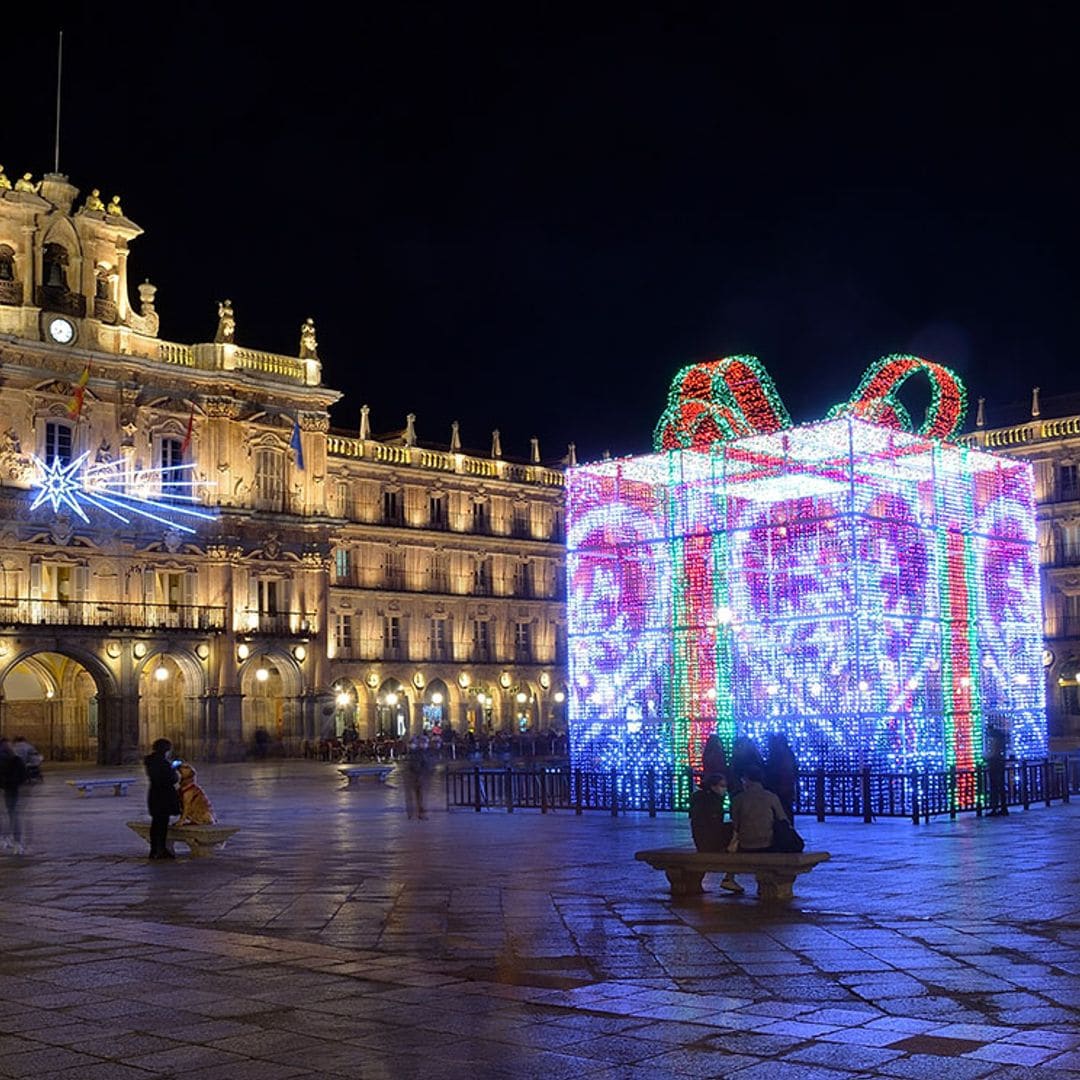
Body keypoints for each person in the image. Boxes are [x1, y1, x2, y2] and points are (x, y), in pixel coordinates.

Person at [689, 773, 742, 894]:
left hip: (701, 839)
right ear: (713, 786)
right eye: (722, 785)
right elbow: (713, 824)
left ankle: (729, 877)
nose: (724, 788)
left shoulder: (701, 798)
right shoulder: (712, 801)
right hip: (709, 840)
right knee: (736, 835)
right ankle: (729, 877)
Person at [731, 765, 789, 855]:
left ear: (747, 779)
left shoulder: (739, 798)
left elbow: (735, 822)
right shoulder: (771, 797)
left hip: (746, 843)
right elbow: (782, 818)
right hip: (768, 842)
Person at [144, 738, 180, 860]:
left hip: (154, 795)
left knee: (155, 824)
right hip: (163, 796)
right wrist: (173, 769)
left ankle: (154, 850)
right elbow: (172, 779)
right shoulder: (163, 763)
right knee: (162, 825)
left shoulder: (150, 761)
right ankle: (161, 850)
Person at [0, 736, 27, 854]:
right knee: (13, 815)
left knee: (8, 815)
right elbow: (23, 775)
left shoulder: (13, 758)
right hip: (11, 789)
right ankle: (16, 843)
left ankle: (6, 839)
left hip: (7, 788)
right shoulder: (15, 758)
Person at [764, 733, 798, 822]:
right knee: (787, 810)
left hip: (779, 788)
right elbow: (794, 770)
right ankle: (788, 829)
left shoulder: (776, 755)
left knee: (781, 811)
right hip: (787, 788)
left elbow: (773, 771)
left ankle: (784, 830)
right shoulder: (789, 754)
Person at [404, 735, 434, 819]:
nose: (426, 745)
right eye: (424, 743)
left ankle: (417, 812)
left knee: (420, 796)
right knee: (419, 796)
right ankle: (416, 812)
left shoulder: (422, 752)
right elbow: (416, 765)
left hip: (419, 777)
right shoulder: (418, 753)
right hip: (417, 777)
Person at [986, 721, 1008, 817]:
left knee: (994, 787)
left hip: (994, 764)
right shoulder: (1001, 740)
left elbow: (992, 753)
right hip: (1000, 764)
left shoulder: (994, 740)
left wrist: (986, 757)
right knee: (1001, 787)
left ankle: (995, 808)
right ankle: (1003, 807)